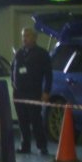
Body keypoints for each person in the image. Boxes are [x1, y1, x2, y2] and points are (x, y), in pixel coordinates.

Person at [11, 27, 52, 155]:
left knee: (36, 121)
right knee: (22, 122)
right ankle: (25, 146)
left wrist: (46, 91)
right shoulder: (19, 53)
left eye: (27, 36)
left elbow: (48, 74)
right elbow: (12, 69)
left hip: (33, 93)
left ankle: (42, 146)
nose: (25, 38)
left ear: (35, 38)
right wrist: (14, 84)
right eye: (23, 36)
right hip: (19, 94)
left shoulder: (42, 53)